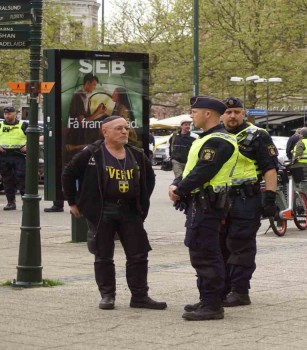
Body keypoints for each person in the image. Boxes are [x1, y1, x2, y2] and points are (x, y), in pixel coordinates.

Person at [61, 115, 166, 311]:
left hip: (130, 211)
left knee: (138, 255)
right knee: (103, 256)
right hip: (103, 211)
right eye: (118, 128)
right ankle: (108, 296)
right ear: (105, 132)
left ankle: (140, 296)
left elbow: (149, 179)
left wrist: (141, 201)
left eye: (126, 128)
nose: (124, 132)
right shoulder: (92, 153)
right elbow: (68, 174)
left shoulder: (136, 154)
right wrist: (73, 202)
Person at [168, 96, 238, 321]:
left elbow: (204, 171)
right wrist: (178, 184)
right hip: (202, 203)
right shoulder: (207, 138)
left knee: (206, 254)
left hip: (207, 204)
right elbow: (193, 168)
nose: (192, 116)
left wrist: (180, 188)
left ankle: (212, 304)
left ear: (208, 114)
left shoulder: (219, 140)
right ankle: (207, 299)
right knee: (200, 251)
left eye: (195, 112)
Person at [217, 96, 279, 307]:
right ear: (222, 115)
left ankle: (240, 291)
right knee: (219, 245)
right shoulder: (215, 135)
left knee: (241, 244)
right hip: (218, 198)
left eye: (237, 112)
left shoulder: (258, 135)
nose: (233, 116)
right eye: (228, 112)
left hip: (246, 198)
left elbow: (270, 168)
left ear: (243, 114)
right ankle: (222, 288)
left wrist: (269, 197)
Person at [47, 74, 107, 213]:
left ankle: (64, 201)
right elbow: (82, 121)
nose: (94, 88)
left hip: (78, 136)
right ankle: (63, 201)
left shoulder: (84, 97)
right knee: (71, 168)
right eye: (93, 85)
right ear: (87, 83)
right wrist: (98, 113)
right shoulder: (79, 97)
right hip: (75, 137)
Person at [0, 106, 27, 210]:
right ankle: (10, 202)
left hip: (19, 155)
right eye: (5, 114)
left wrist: (27, 145)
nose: (7, 116)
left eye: (9, 114)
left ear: (15, 114)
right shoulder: (0, 125)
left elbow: (34, 137)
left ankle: (26, 202)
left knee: (22, 178)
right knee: (7, 180)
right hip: (4, 155)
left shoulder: (23, 125)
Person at [291, 127, 307, 196]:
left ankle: (302, 193)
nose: (299, 135)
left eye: (300, 134)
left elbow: (298, 153)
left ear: (302, 135)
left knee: (302, 178)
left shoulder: (301, 142)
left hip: (302, 163)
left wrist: (293, 161)